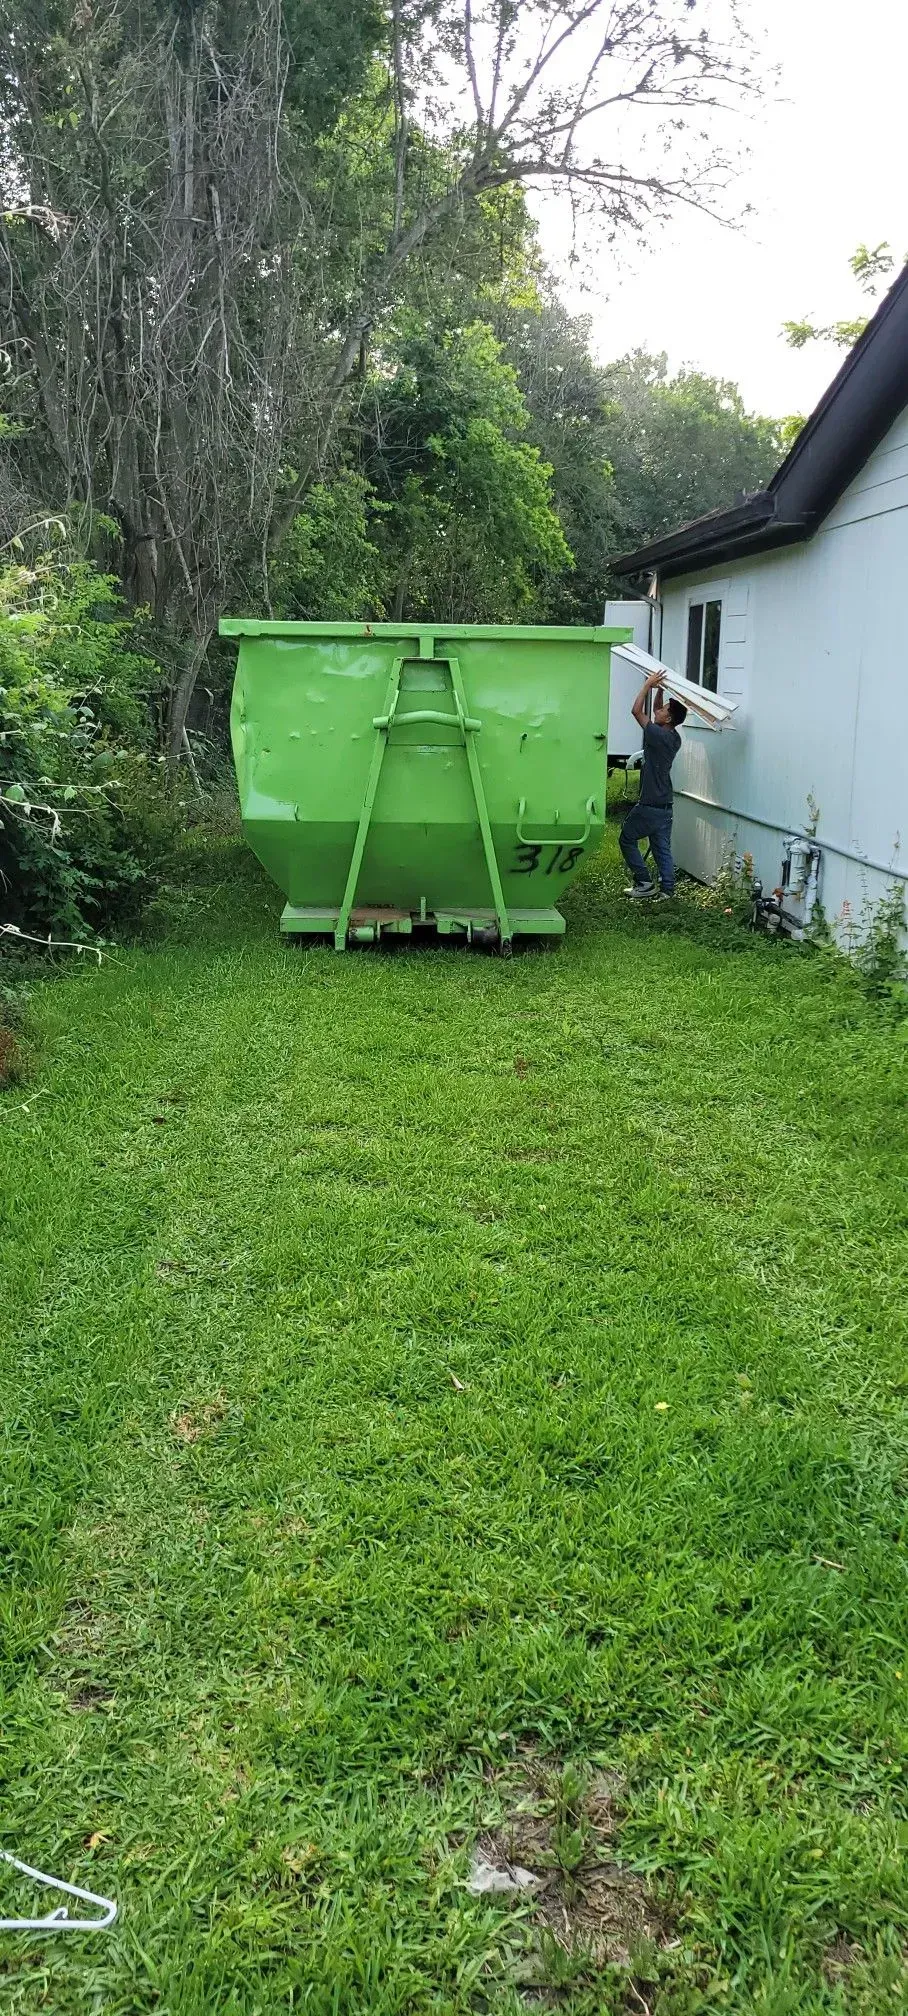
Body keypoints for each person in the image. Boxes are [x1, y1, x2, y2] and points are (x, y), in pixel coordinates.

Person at [619, 672, 688, 900]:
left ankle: (644, 882)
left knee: (627, 838)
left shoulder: (658, 735)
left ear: (667, 719)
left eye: (662, 710)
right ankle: (667, 891)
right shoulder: (674, 736)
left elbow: (636, 711)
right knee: (661, 849)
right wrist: (661, 690)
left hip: (649, 804)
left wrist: (647, 685)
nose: (657, 710)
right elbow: (657, 711)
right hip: (665, 805)